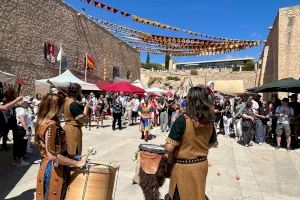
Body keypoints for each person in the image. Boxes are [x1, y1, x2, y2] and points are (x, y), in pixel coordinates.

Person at [165, 86, 216, 200]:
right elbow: (211, 143)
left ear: (190, 101)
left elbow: (169, 147)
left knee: (180, 195)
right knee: (197, 195)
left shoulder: (182, 120)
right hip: (201, 166)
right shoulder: (210, 121)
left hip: (184, 168)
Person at [35, 93, 86, 200]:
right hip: (54, 170)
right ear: (57, 106)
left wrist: (73, 158)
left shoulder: (43, 122)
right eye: (62, 105)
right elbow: (52, 155)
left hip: (48, 166)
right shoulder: (52, 125)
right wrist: (77, 163)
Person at [63, 83, 90, 158]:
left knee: (68, 152)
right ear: (77, 91)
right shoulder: (73, 104)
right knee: (73, 153)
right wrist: (85, 110)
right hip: (73, 130)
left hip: (67, 127)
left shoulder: (67, 101)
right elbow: (82, 120)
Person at [14, 99, 32, 166]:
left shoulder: (19, 109)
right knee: (22, 145)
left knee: (18, 145)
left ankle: (18, 161)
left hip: (20, 128)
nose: (28, 104)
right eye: (27, 103)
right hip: (22, 129)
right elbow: (22, 120)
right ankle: (20, 162)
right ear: (24, 103)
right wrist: (27, 130)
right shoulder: (22, 110)